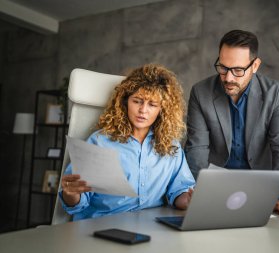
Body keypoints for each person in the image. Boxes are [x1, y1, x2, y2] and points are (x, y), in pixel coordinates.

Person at [185, 30, 279, 217]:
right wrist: (193, 192)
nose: (228, 78)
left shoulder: (275, 92)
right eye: (223, 67)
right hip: (214, 189)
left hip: (260, 189)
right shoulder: (201, 92)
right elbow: (196, 147)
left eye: (238, 70)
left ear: (255, 65)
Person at [59, 64, 195, 221]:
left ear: (162, 110)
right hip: (102, 225)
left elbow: (180, 191)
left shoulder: (171, 146)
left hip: (151, 226)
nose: (143, 110)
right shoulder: (100, 142)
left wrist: (189, 200)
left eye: (152, 104)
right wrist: (71, 194)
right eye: (137, 101)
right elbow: (77, 203)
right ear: (125, 102)